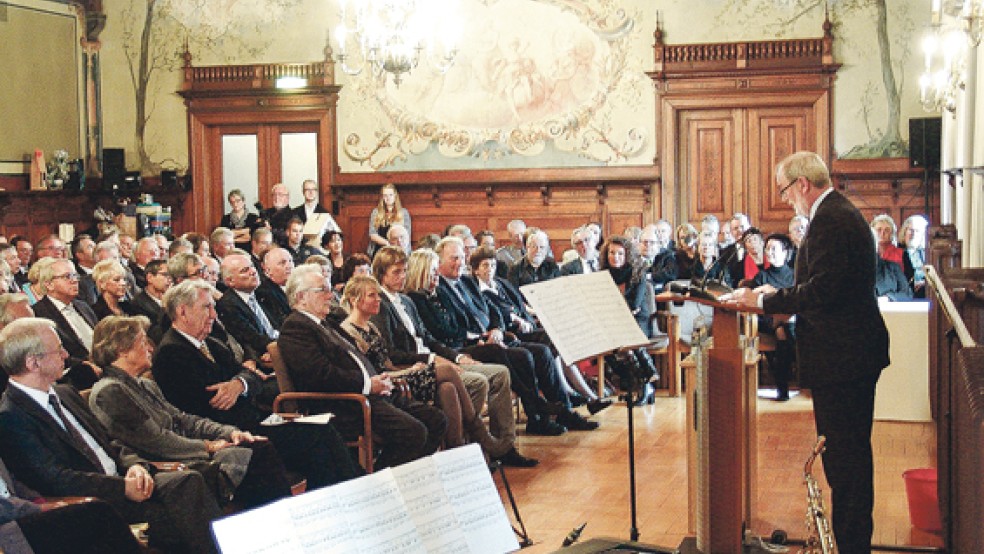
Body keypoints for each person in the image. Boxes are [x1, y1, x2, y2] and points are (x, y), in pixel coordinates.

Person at [724, 151, 889, 554]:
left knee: (845, 465)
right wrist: (772, 293)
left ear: (802, 183)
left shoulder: (831, 218)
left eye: (784, 189)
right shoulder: (836, 213)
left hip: (844, 357)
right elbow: (823, 283)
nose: (785, 200)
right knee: (847, 460)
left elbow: (823, 292)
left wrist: (762, 302)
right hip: (848, 354)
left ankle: (852, 548)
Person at [0, 318, 222, 554]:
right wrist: (121, 487)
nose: (66, 355)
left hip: (127, 478)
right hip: (96, 498)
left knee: (191, 480)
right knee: (182, 519)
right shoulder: (11, 415)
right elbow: (55, 478)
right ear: (34, 363)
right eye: (58, 350)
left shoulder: (65, 393)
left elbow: (109, 443)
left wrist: (135, 466)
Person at [151, 280, 362, 488]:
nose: (214, 316)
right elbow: (210, 404)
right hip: (227, 433)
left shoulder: (211, 345)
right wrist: (243, 383)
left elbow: (254, 377)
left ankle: (350, 491)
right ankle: (342, 496)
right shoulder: (172, 352)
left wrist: (239, 384)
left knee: (324, 431)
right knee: (315, 439)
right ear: (182, 312)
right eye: (207, 308)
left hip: (251, 421)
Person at [88, 315, 292, 509]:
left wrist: (228, 432)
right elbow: (156, 441)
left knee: (256, 446)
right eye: (143, 342)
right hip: (165, 463)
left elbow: (184, 420)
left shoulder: (145, 385)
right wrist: (208, 446)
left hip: (185, 451)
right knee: (257, 456)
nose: (150, 347)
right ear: (123, 350)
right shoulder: (110, 391)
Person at [369, 246, 537, 467]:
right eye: (396, 272)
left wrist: (456, 358)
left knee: (500, 373)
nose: (402, 276)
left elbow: (429, 339)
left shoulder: (405, 302)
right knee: (477, 381)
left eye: (404, 271)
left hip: (437, 359)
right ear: (382, 274)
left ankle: (500, 445)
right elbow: (392, 352)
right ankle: (475, 444)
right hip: (415, 366)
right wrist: (433, 360)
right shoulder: (381, 303)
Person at [278, 266, 447, 469]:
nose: (330, 295)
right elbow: (321, 375)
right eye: (322, 290)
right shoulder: (296, 328)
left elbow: (359, 357)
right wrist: (368, 384)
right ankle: (379, 483)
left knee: (436, 420)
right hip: (345, 403)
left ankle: (408, 479)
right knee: (413, 432)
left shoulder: (326, 323)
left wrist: (379, 380)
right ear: (301, 297)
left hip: (371, 394)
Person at [339, 275, 505, 455]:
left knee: (448, 388)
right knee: (448, 370)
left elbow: (388, 364)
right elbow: (374, 372)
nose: (379, 299)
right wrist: (409, 370)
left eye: (378, 294)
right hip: (386, 384)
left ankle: (456, 450)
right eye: (372, 295)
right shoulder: (349, 331)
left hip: (396, 375)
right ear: (354, 300)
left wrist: (409, 369)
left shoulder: (371, 327)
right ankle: (478, 431)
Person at [470, 246, 610, 415]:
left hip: (527, 325)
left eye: (493, 265)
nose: (490, 269)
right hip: (511, 332)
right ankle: (577, 394)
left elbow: (520, 305)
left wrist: (532, 314)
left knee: (556, 338)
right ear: (476, 270)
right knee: (548, 344)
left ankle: (581, 394)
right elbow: (498, 315)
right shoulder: (477, 291)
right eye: (485, 266)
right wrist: (515, 318)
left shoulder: (501, 283)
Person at [30, 258, 101, 390]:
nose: (74, 280)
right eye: (67, 276)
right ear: (49, 284)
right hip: (76, 377)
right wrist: (83, 365)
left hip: (102, 365)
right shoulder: (39, 313)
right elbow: (48, 353)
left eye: (75, 275)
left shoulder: (83, 306)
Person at [748, 234, 796, 401]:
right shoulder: (762, 277)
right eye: (767, 248)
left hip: (791, 321)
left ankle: (782, 389)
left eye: (773, 248)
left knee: (784, 329)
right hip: (766, 320)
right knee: (782, 327)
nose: (769, 252)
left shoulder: (795, 275)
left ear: (785, 252)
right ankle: (791, 381)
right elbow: (751, 300)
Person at [368, 184, 411, 259]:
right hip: (380, 250)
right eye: (385, 195)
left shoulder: (404, 213)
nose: (388, 198)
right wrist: (387, 244)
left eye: (390, 195)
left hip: (398, 250)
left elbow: (406, 236)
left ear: (395, 196)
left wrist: (396, 247)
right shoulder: (376, 212)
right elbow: (372, 234)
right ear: (382, 197)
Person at [899, 214, 929, 297]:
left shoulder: (929, 254)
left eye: (917, 231)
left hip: (925, 292)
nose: (914, 234)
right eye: (911, 230)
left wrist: (925, 283)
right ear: (904, 232)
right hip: (902, 293)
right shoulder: (897, 251)